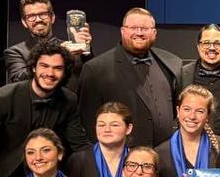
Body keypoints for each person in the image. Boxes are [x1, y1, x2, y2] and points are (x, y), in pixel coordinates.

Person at [0, 40, 88, 177]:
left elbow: (79, 144)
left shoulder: (69, 99)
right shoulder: (3, 97)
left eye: (57, 68)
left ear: (65, 72)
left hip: (50, 176)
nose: (50, 73)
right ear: (34, 68)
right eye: (44, 66)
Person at [78, 8, 182, 147]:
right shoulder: (95, 69)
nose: (139, 33)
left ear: (154, 33)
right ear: (122, 31)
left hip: (163, 156)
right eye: (133, 28)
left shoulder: (171, 63)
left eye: (145, 28)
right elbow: (88, 121)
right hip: (120, 158)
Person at [154, 86, 220, 177]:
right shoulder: (159, 153)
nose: (192, 116)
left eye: (200, 111)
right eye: (187, 109)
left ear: (208, 116)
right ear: (178, 110)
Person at [3, 0, 90, 86]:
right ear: (24, 22)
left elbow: (88, 76)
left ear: (52, 18)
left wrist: (86, 50)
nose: (38, 19)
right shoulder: (15, 52)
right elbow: (19, 80)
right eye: (31, 16)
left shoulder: (70, 48)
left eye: (43, 14)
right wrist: (60, 52)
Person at [65, 102, 133, 177]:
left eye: (114, 125)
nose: (107, 130)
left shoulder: (139, 159)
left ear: (128, 128)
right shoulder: (79, 161)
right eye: (101, 125)